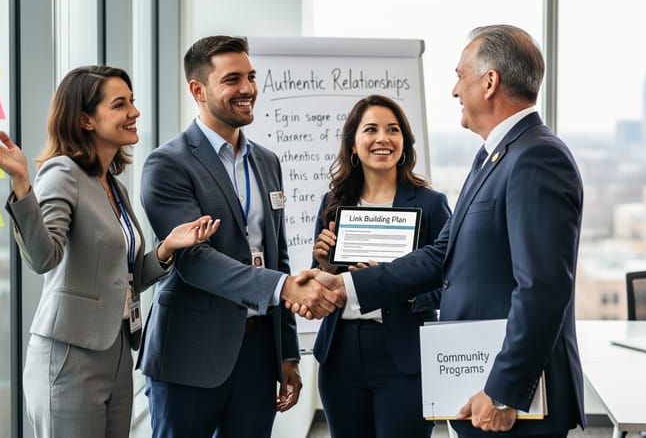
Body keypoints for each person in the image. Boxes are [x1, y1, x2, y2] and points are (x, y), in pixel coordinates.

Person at [294, 25, 586, 437]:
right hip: (477, 388)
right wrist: (344, 285)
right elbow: (440, 256)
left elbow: (542, 289)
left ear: (489, 82)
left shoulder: (536, 158)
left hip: (510, 403)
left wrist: (504, 392)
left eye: (459, 77)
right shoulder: (493, 158)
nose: (454, 91)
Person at [0, 65, 220, 438]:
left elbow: (121, 276)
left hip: (118, 350)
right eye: (120, 105)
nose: (134, 113)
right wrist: (22, 183)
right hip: (70, 354)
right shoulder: (62, 173)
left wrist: (167, 247)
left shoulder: (112, 185)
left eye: (133, 102)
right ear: (86, 120)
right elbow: (44, 258)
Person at [137, 35, 344, 438]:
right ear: (198, 90)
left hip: (256, 355)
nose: (248, 89)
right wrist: (285, 288)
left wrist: (287, 353)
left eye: (251, 76)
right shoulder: (167, 165)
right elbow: (195, 262)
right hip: (189, 355)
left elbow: (276, 255)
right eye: (233, 79)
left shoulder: (266, 162)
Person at [310, 95, 451, 438]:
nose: (382, 138)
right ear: (354, 145)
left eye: (393, 130)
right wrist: (325, 267)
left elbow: (450, 282)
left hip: (403, 355)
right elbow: (320, 285)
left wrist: (400, 290)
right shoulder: (333, 204)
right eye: (370, 129)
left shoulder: (431, 205)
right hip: (340, 351)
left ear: (404, 143)